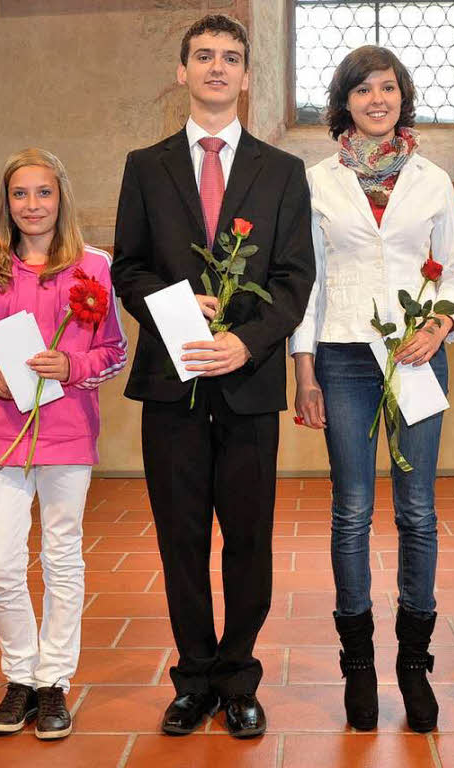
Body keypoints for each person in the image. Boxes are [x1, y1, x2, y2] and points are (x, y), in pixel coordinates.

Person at [111, 14, 314, 738]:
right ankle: (193, 677)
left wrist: (246, 344)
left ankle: (238, 674)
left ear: (248, 75)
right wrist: (171, 309)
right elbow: (126, 266)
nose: (217, 68)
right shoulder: (147, 165)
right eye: (204, 57)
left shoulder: (282, 171)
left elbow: (294, 278)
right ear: (182, 71)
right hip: (171, 382)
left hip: (248, 385)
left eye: (231, 57)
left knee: (249, 538)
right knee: (182, 536)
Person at [290, 45, 454, 733]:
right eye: (363, 89)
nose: (377, 99)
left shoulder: (432, 180)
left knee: (419, 510)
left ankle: (414, 667)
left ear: (403, 98)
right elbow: (306, 281)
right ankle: (358, 666)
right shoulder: (317, 181)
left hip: (417, 355)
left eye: (388, 88)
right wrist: (302, 368)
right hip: (342, 355)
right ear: (344, 100)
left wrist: (442, 322)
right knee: (353, 508)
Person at [0, 148, 127, 739]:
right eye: (21, 194)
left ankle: (53, 680)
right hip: (2, 435)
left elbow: (113, 352)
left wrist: (70, 364)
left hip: (68, 432)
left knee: (61, 559)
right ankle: (19, 677)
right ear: (8, 203)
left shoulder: (94, 267)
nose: (33, 205)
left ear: (62, 197)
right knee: (0, 562)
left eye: (44, 193)